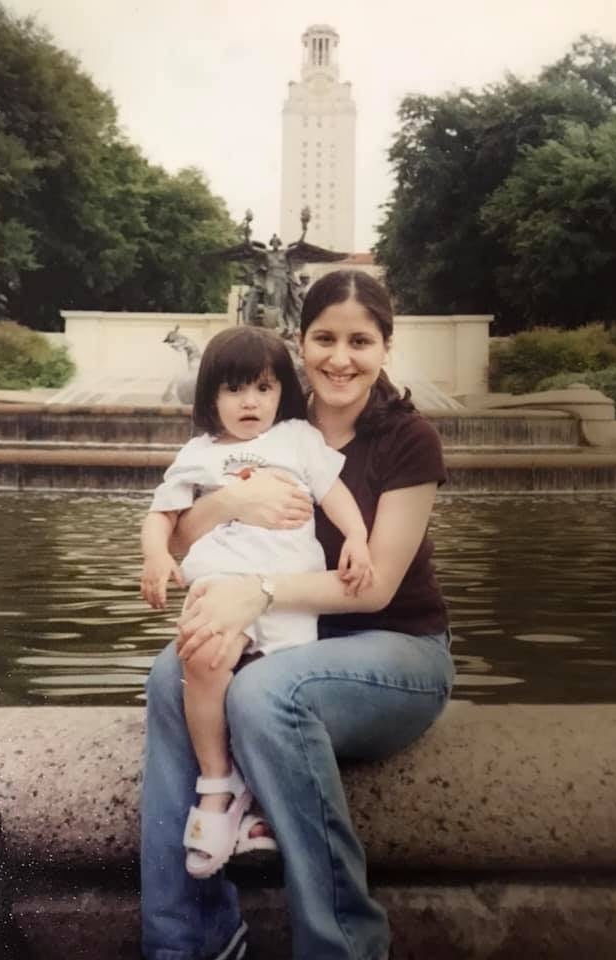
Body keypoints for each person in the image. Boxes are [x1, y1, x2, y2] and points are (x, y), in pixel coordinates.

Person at [141, 270, 455, 960]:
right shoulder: (266, 422)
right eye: (324, 338)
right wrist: (226, 504)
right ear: (300, 343)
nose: (341, 357)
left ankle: (343, 945)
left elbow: (375, 590)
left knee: (263, 692)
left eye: (360, 340)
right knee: (173, 671)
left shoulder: (408, 440)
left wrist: (260, 588)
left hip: (393, 651)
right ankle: (189, 940)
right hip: (281, 640)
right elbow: (180, 537)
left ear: (384, 347)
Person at [140, 325, 371, 879]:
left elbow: (334, 494)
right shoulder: (198, 453)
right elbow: (161, 516)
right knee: (204, 660)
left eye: (263, 389)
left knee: (265, 702)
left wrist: (359, 539)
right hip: (221, 584)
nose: (249, 402)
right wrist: (154, 558)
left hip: (286, 593)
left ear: (281, 394)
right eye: (234, 389)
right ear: (210, 398)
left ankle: (258, 803)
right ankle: (216, 786)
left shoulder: (296, 438)